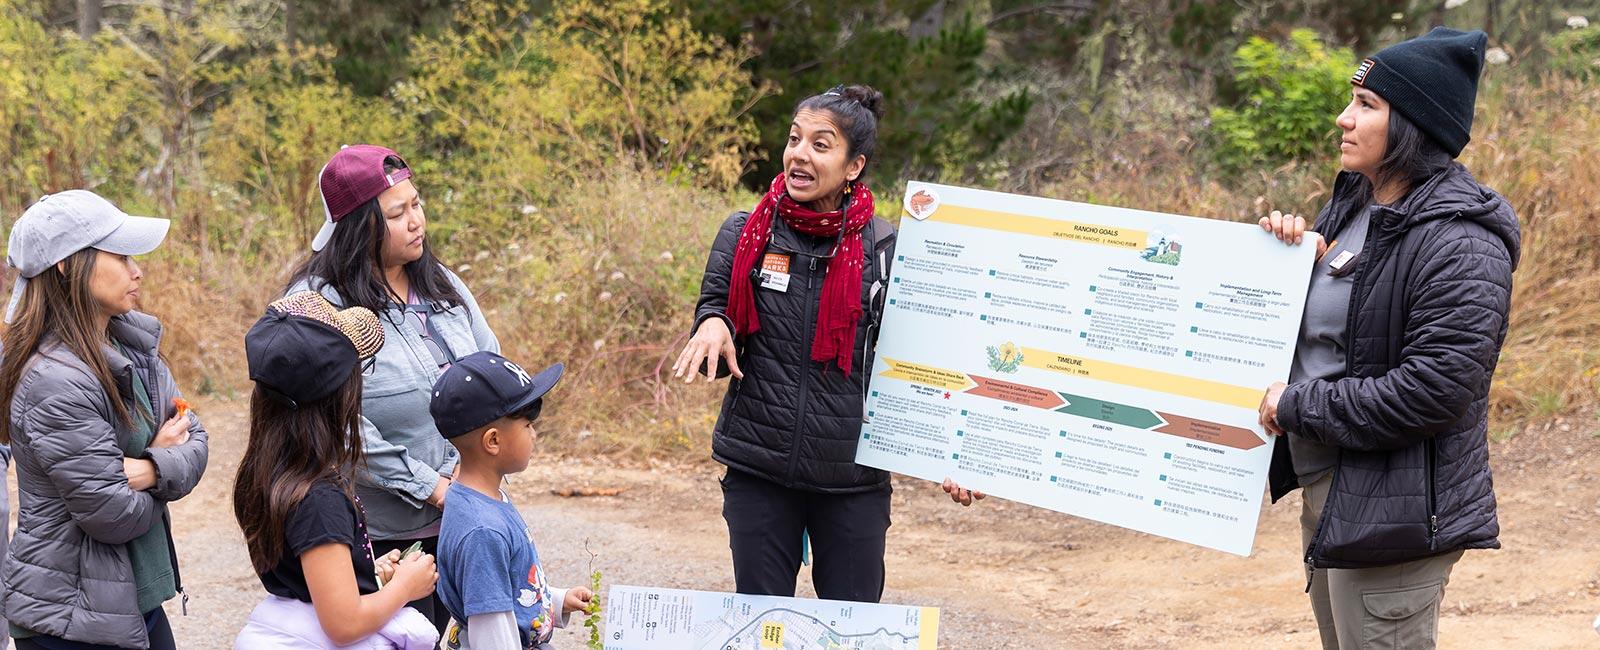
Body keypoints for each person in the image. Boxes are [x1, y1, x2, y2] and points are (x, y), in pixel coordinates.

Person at [1256, 28, 1518, 649]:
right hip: (1332, 492)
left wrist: (1296, 406)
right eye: (1352, 99)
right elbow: (1333, 333)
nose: (1343, 119)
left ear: (1415, 125)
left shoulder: (1461, 242)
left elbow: (1433, 391)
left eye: (1367, 105)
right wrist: (1279, 263)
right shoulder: (1356, 205)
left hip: (1393, 513)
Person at [674, 84, 975, 603]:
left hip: (852, 477)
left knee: (853, 628)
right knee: (763, 627)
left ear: (853, 166)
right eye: (795, 139)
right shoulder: (746, 233)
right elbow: (717, 307)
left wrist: (953, 451)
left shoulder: (889, 251)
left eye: (820, 144)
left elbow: (922, 366)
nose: (799, 154)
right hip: (760, 468)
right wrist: (713, 324)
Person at [286, 144, 500, 632]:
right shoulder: (319, 306)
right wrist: (432, 487)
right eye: (397, 213)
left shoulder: (441, 286)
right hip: (382, 542)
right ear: (359, 225)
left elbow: (493, 371)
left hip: (466, 521)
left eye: (417, 204)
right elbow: (333, 423)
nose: (416, 221)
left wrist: (472, 472)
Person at [0, 191, 210, 649]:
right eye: (120, 255)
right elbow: (112, 513)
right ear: (65, 266)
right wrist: (164, 465)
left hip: (132, 599)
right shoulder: (52, 379)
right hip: (72, 619)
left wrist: (147, 470)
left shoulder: (132, 341)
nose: (138, 270)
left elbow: (193, 431)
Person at [233, 292, 440, 649]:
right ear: (339, 392)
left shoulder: (269, 472)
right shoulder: (318, 498)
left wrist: (365, 572)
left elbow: (307, 579)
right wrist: (407, 587)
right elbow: (343, 624)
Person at [430, 351, 592, 649]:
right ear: (493, 441)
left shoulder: (481, 498)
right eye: (527, 426)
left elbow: (506, 587)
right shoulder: (482, 531)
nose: (534, 435)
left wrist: (556, 600)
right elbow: (491, 629)